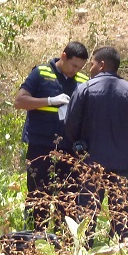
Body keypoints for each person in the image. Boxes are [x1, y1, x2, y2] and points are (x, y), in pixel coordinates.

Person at [65, 46, 128, 246]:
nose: (90, 68)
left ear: (101, 64)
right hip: (122, 163)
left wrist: (81, 144)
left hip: (92, 162)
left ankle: (84, 253)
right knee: (121, 213)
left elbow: (70, 123)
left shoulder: (85, 89)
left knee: (87, 212)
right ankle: (121, 253)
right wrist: (124, 141)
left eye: (92, 63)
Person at [13, 42, 89, 234]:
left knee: (68, 198)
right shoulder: (41, 73)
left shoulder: (82, 81)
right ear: (63, 56)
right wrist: (48, 101)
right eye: (73, 65)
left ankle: (62, 241)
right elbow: (20, 101)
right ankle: (36, 237)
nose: (76, 70)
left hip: (69, 149)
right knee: (38, 195)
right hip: (40, 145)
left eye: (80, 67)